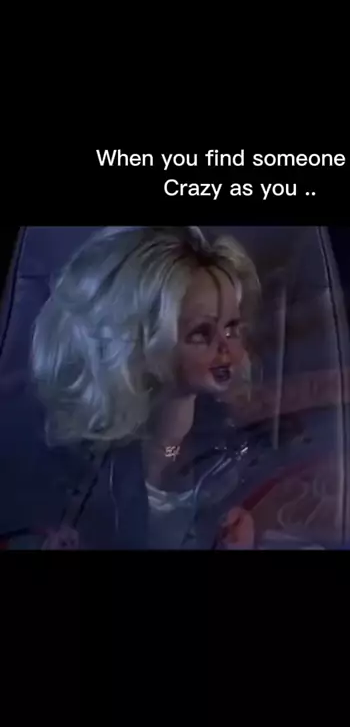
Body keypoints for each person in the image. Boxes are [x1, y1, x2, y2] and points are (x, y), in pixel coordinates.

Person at [30, 226, 261, 550]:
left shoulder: (226, 442)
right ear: (140, 342)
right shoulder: (80, 471)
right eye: (201, 332)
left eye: (231, 328)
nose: (226, 348)